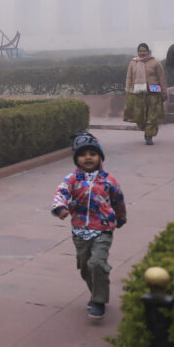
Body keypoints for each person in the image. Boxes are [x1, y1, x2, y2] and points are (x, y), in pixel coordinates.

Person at [51, 133, 126, 321]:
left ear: (100, 157)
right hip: (79, 231)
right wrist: (60, 207)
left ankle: (99, 301)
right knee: (85, 268)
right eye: (83, 154)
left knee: (97, 263)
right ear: (76, 158)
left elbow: (118, 200)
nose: (88, 157)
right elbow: (60, 193)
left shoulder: (109, 180)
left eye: (93, 153)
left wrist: (121, 217)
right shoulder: (72, 179)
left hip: (103, 229)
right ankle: (95, 294)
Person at [123, 42, 168, 145]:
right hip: (138, 93)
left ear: (148, 51)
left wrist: (164, 92)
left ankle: (149, 135)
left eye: (144, 51)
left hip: (154, 92)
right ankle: (146, 130)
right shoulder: (133, 62)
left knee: (152, 115)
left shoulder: (155, 62)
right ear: (137, 52)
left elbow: (162, 78)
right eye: (140, 51)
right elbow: (129, 77)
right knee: (140, 115)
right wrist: (128, 89)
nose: (142, 53)